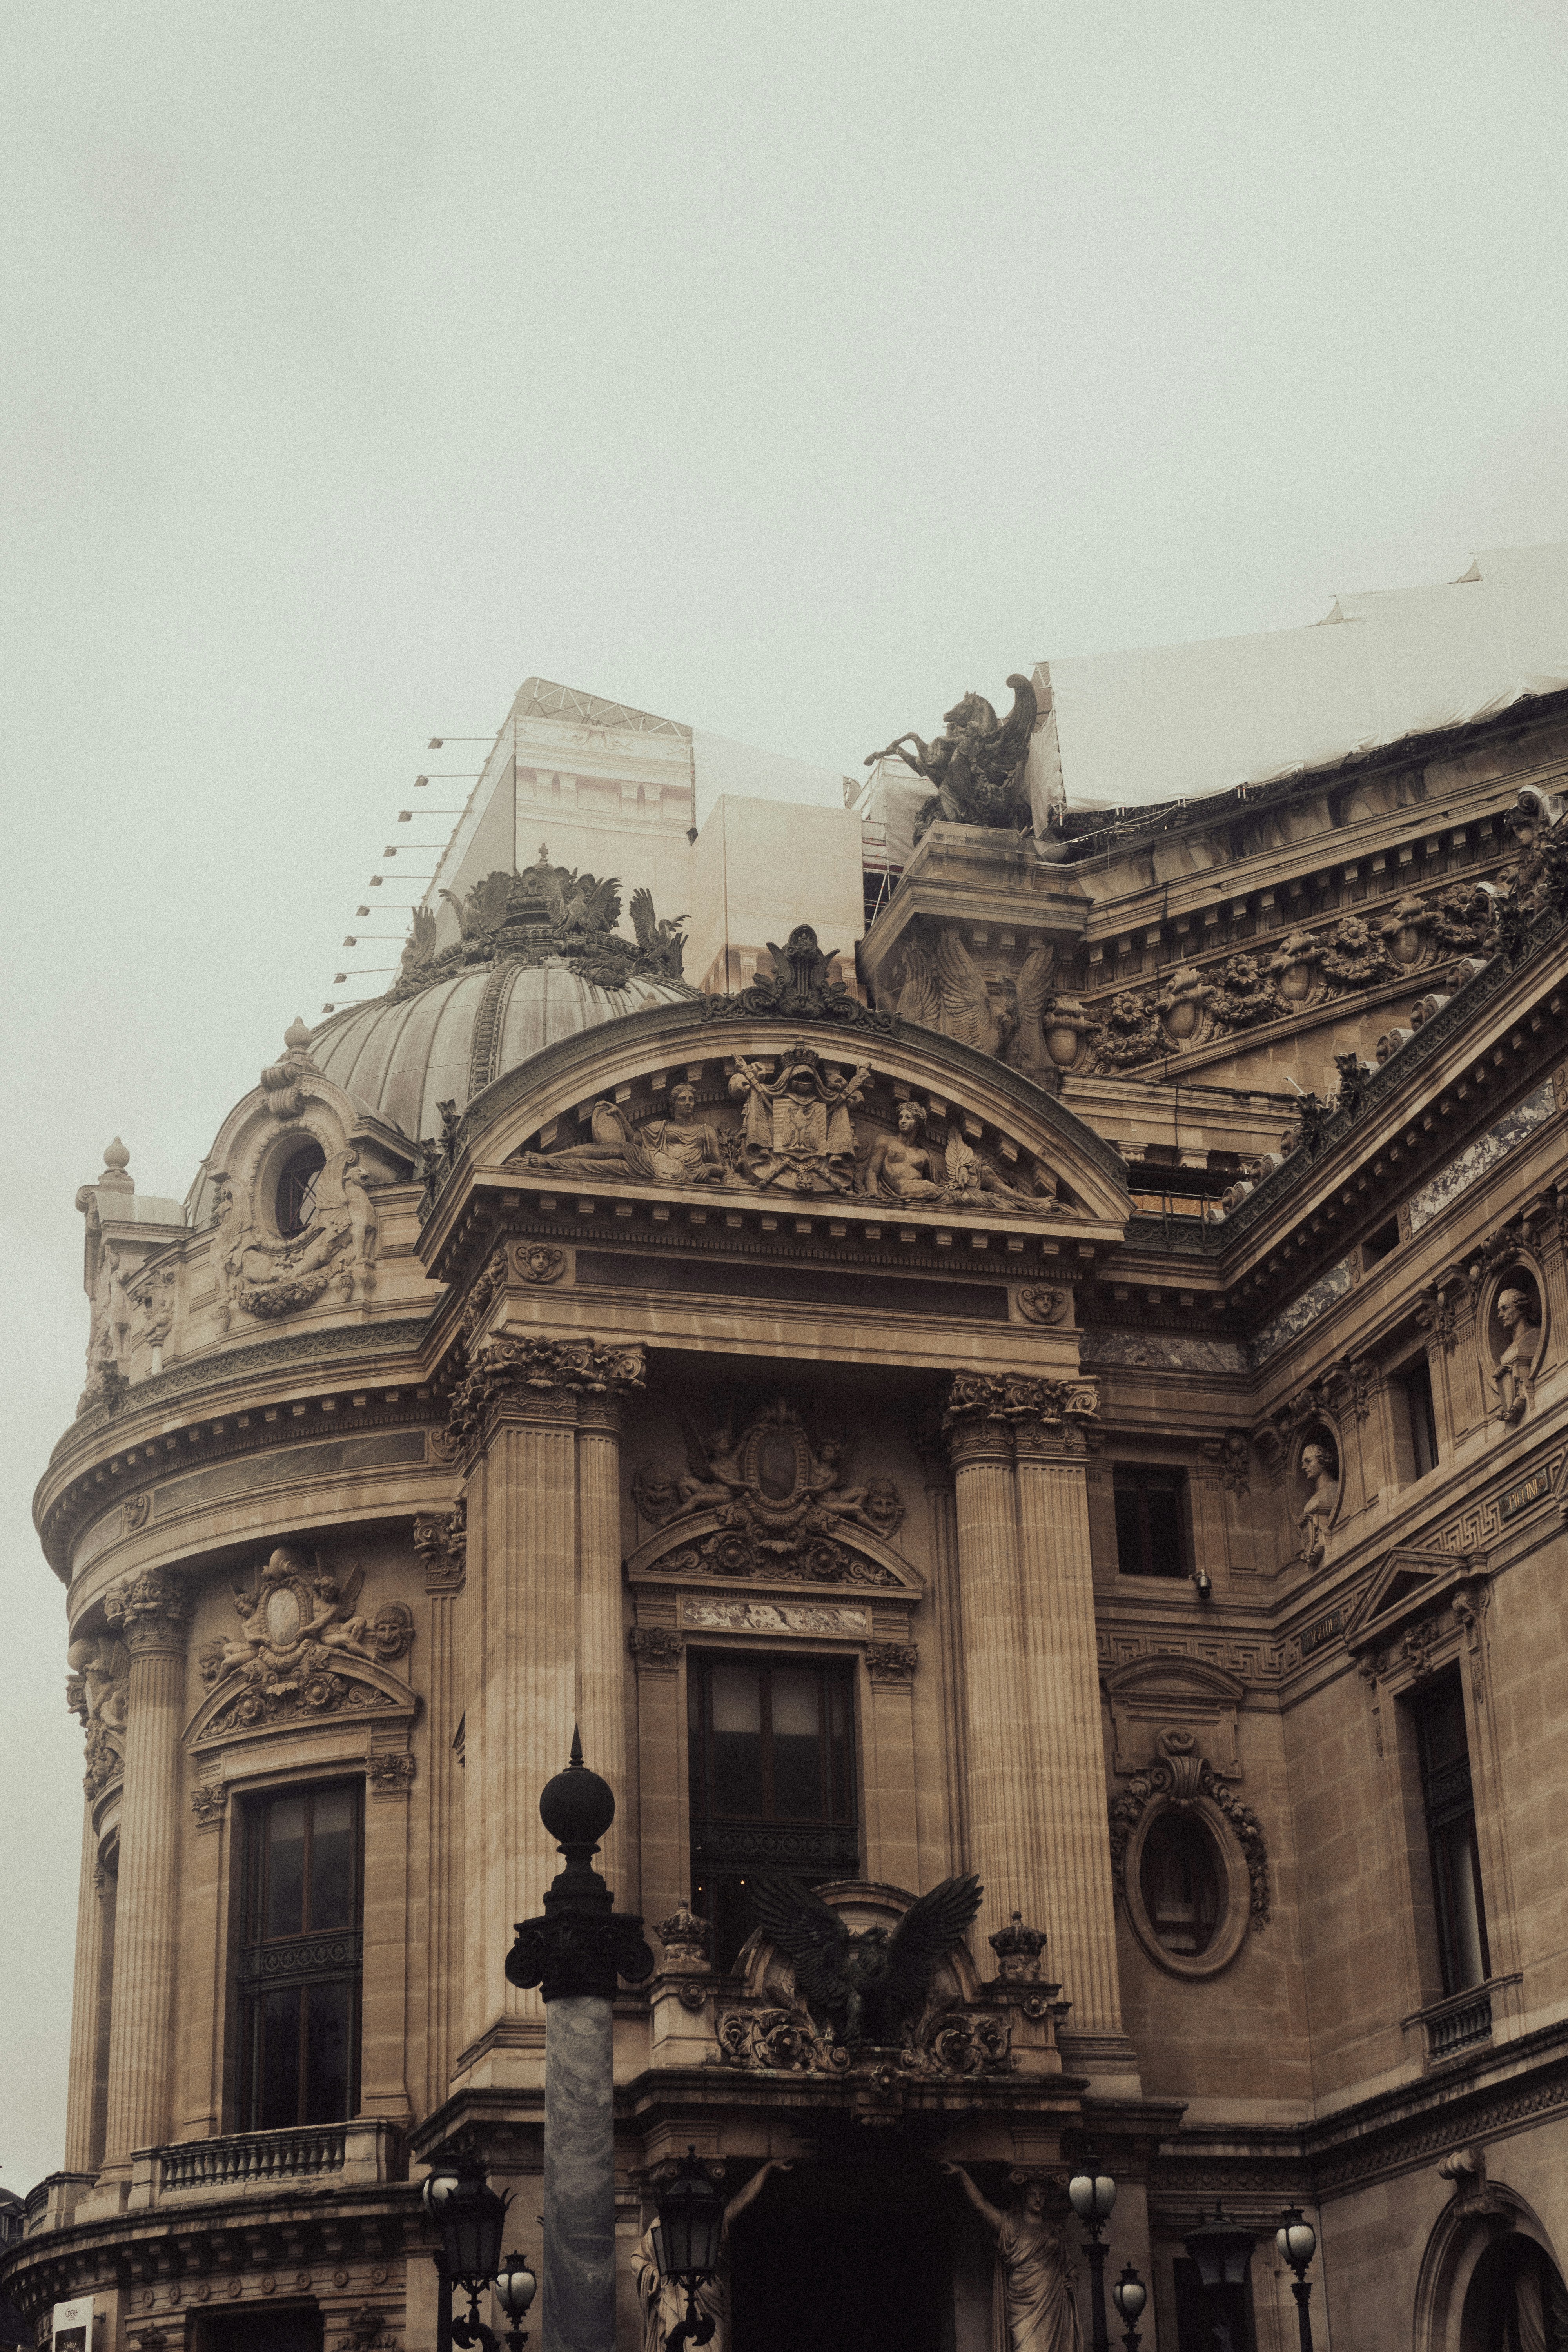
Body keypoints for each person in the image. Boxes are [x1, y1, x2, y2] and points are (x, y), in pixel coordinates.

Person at [632, 2159, 792, 2352]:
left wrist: (766, 2169)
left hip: (707, 2298)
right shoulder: (661, 2225)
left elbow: (742, 2200)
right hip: (674, 2296)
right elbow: (637, 2259)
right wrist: (655, 2272)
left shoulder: (713, 2223)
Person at [943, 2166, 1082, 2352]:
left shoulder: (1054, 2231)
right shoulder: (1010, 2226)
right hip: (1023, 2304)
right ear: (1024, 2198)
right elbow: (981, 2204)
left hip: (1055, 2300)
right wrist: (963, 2174)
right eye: (1033, 2194)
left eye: (1042, 2194)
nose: (1039, 2199)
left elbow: (1069, 2267)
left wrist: (1072, 2281)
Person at [1492, 1283, 1543, 1423]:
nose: (1500, 1315)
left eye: (1506, 1308)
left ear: (1521, 1309)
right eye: (1499, 1310)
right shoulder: (1508, 1351)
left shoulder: (1536, 1336)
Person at [1296, 1441, 1339, 1566]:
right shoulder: (1314, 1497)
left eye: (1308, 1461)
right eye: (1303, 1463)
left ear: (1322, 1462)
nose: (1304, 1467)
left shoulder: (1334, 1490)